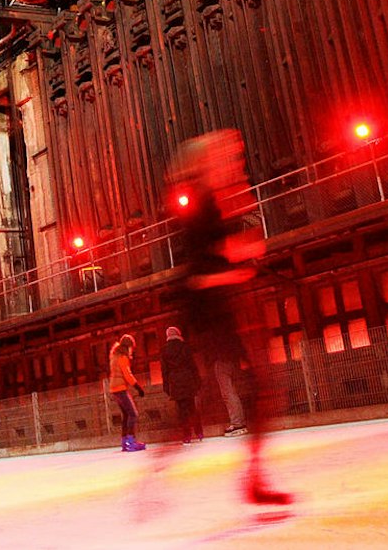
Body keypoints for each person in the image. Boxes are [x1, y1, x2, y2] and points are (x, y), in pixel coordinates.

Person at [171, 129, 291, 506]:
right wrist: (238, 268)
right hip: (209, 313)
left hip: (227, 309)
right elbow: (198, 275)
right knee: (222, 395)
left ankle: (255, 478)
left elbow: (232, 249)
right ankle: (158, 472)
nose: (236, 162)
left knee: (261, 391)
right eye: (230, 155)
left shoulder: (218, 202)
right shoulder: (200, 206)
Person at [161, 325, 204, 444]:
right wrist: (197, 380)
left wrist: (166, 385)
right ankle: (199, 432)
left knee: (182, 410)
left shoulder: (164, 350)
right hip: (187, 378)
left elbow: (164, 370)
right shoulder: (185, 346)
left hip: (175, 380)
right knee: (192, 407)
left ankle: (186, 436)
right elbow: (192, 365)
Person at [108, 333, 148, 452]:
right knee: (133, 414)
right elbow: (127, 374)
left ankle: (125, 442)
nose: (132, 350)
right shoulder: (122, 357)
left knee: (126, 415)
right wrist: (138, 387)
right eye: (131, 347)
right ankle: (131, 442)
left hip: (114, 389)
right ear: (128, 346)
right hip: (120, 389)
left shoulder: (114, 356)